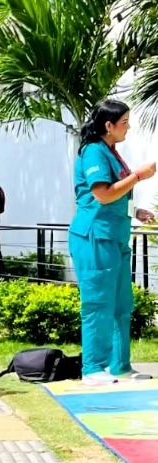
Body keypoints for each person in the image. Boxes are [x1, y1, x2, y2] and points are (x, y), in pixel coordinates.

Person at [69, 99, 155, 386]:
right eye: (124, 122)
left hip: (115, 236)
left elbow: (116, 195)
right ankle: (93, 368)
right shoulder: (94, 151)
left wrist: (135, 210)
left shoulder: (112, 152)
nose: (129, 127)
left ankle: (119, 366)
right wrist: (138, 176)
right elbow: (102, 194)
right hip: (95, 237)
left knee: (121, 304)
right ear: (108, 125)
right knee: (98, 302)